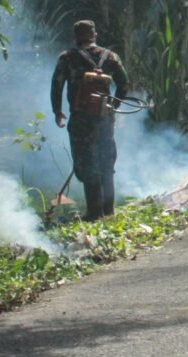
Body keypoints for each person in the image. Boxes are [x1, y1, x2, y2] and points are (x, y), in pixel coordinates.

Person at [50, 19, 129, 221]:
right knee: (106, 160)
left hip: (80, 119)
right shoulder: (110, 57)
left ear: (76, 37)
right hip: (104, 118)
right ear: (94, 35)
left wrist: (57, 112)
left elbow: (57, 86)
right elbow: (124, 84)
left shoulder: (67, 58)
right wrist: (113, 106)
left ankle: (95, 213)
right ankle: (108, 210)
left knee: (86, 161)